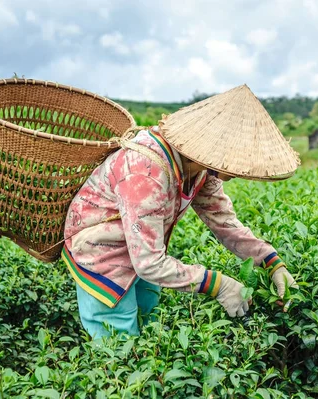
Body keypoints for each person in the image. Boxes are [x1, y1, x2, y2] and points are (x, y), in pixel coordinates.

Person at [62, 84, 300, 339]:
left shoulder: (202, 168)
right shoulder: (145, 173)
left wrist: (272, 263)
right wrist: (218, 285)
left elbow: (224, 223)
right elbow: (150, 263)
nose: (238, 171)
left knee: (148, 333)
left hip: (144, 249)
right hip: (101, 256)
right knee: (118, 347)